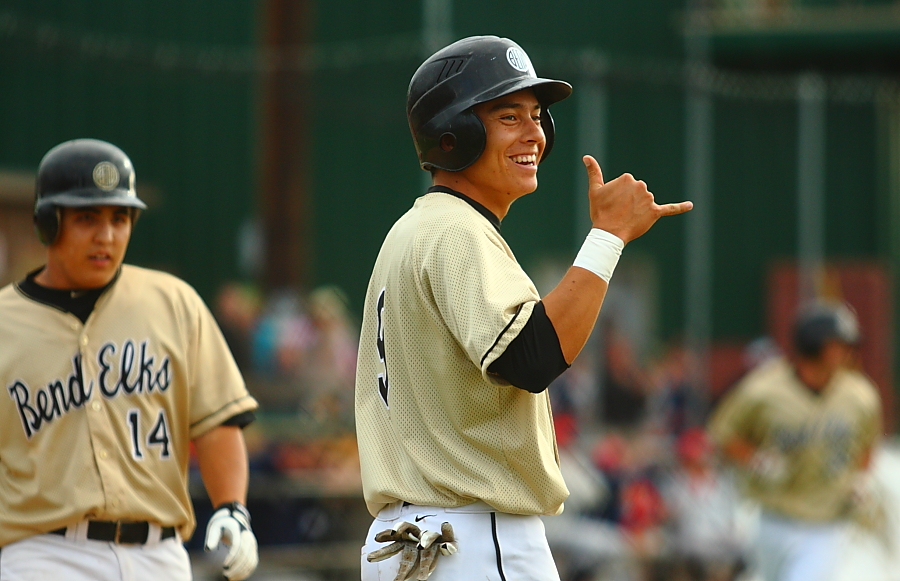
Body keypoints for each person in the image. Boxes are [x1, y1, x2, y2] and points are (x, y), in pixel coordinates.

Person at [355, 36, 692, 581]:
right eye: (509, 116)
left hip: (421, 538)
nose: (534, 133)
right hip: (471, 538)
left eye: (537, 116)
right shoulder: (458, 230)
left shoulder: (414, 230)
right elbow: (530, 356)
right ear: (454, 134)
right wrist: (607, 239)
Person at [0, 139, 260, 581]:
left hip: (159, 555)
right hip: (44, 555)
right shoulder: (5, 323)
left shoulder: (173, 302)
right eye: (87, 218)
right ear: (48, 224)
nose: (107, 235)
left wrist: (233, 509)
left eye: (120, 218)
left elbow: (217, 422)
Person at [708, 300, 884, 581]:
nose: (846, 351)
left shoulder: (860, 395)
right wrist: (756, 460)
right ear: (813, 343)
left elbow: (866, 443)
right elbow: (723, 434)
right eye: (838, 343)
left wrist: (860, 478)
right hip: (773, 518)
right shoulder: (763, 390)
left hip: (827, 522)